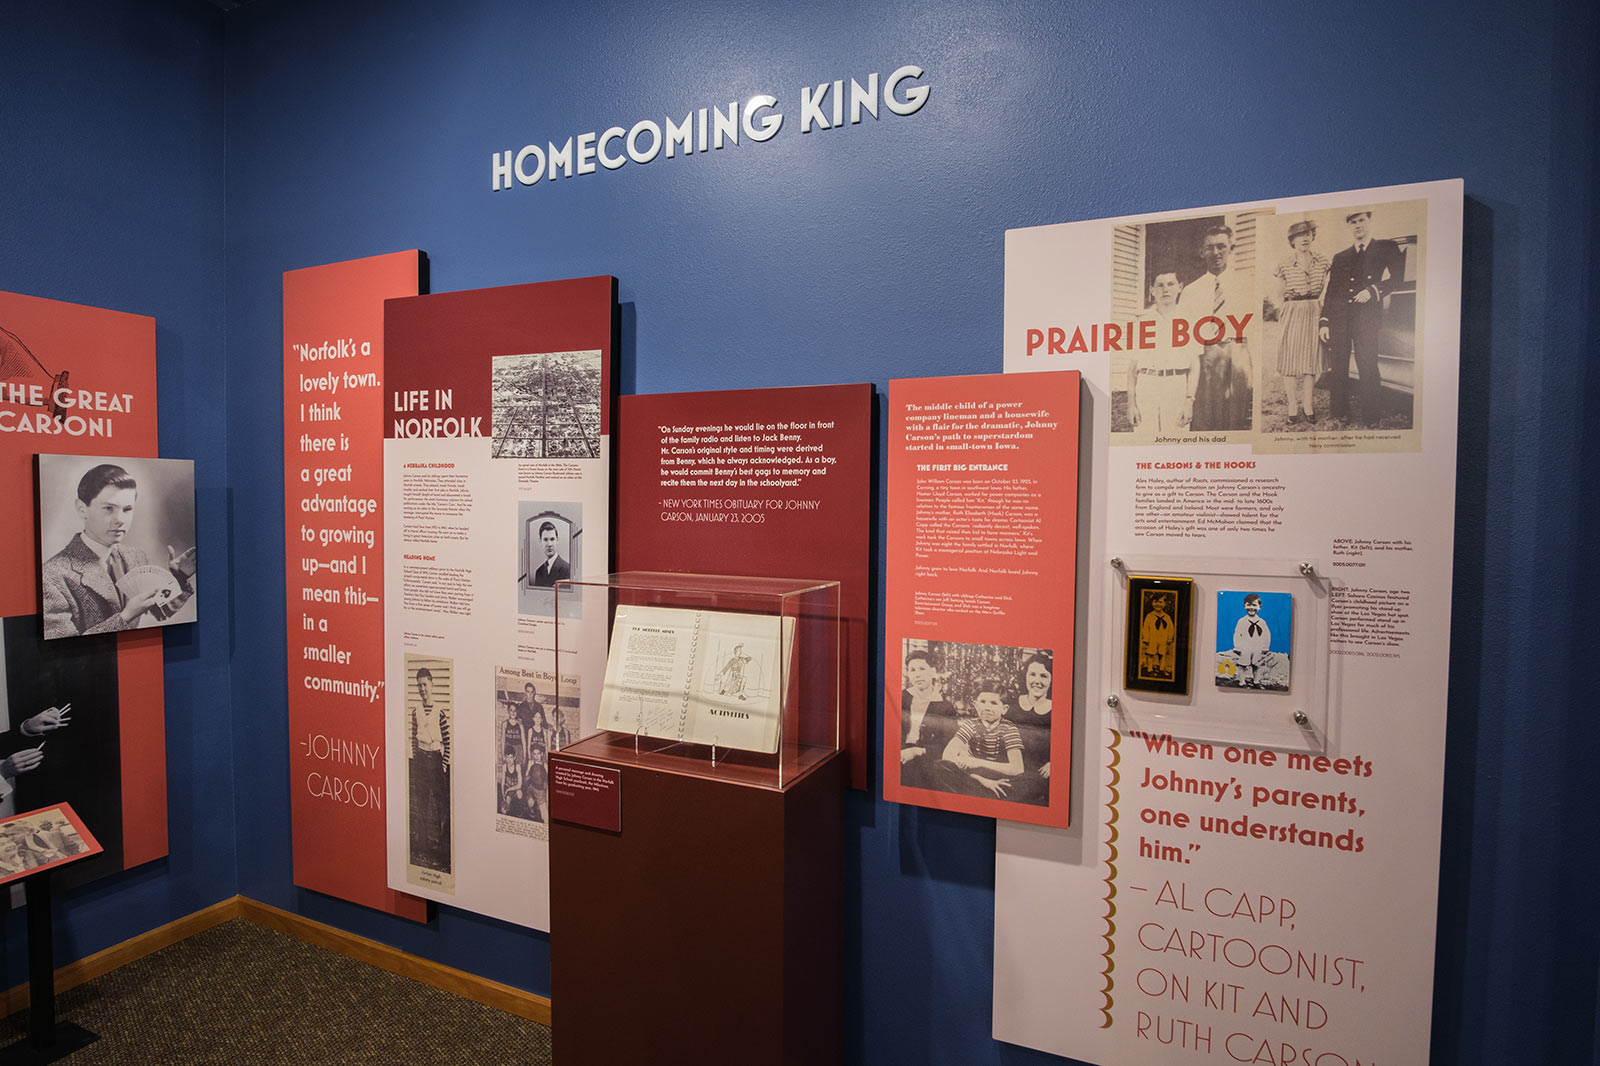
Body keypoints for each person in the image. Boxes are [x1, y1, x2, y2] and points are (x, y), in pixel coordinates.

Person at [41, 464, 196, 639]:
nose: (120, 520)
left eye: (127, 509)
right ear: (82, 509)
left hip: (133, 656)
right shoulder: (52, 576)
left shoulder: (135, 558)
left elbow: (159, 610)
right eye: (108, 508)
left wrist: (179, 577)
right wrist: (126, 615)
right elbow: (63, 647)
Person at [1320, 209, 1406, 427]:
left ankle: (1371, 416)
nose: (1357, 225)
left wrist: (1373, 290)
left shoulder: (1386, 248)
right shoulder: (1341, 257)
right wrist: (1325, 321)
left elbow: (1397, 279)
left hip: (1366, 318)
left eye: (1361, 220)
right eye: (1353, 222)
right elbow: (1332, 291)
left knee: (1367, 364)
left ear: (1369, 220)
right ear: (1349, 226)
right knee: (1338, 366)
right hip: (1340, 318)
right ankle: (1340, 413)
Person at [1178, 225, 1253, 431]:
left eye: (1221, 246)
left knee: (1236, 417)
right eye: (1210, 247)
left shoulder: (1246, 285)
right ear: (1202, 252)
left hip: (1238, 352)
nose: (1216, 252)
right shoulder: (1191, 291)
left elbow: (1254, 328)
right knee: (1205, 418)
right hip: (1205, 356)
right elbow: (1184, 334)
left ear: (1231, 248)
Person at [1271, 220, 1331, 425]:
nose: (1305, 238)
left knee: (1310, 361)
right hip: (1292, 310)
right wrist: (1284, 310)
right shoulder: (1284, 264)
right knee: (1290, 361)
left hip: (1314, 309)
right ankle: (1292, 407)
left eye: (1308, 234)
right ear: (1292, 240)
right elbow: (1277, 295)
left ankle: (1308, 406)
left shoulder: (1323, 261)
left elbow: (1331, 287)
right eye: (1300, 235)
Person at [1126, 270, 1190, 433]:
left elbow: (1195, 366)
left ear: (1180, 287)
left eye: (1170, 284)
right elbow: (1132, 368)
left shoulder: (1188, 320)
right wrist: (1131, 404)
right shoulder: (1142, 320)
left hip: (1176, 384)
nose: (1165, 290)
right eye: (1160, 285)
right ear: (1152, 290)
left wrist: (1189, 401)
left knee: (1176, 441)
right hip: (1147, 385)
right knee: (1144, 441)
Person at [938, 680, 1025, 798]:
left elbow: (1017, 768)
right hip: (974, 776)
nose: (987, 707)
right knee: (940, 765)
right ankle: (979, 789)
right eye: (983, 702)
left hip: (998, 774)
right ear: (976, 705)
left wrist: (975, 762)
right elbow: (947, 755)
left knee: (1024, 784)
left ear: (1004, 709)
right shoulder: (971, 724)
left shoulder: (1008, 728)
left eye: (993, 703)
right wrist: (980, 779)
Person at [408, 667, 450, 872]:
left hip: (435, 760)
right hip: (421, 762)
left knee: (441, 807)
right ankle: (422, 845)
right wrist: (416, 761)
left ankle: (443, 850)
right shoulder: (415, 711)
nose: (422, 689)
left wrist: (442, 766)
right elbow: (414, 739)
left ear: (432, 685)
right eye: (419, 685)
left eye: (425, 684)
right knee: (421, 803)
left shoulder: (440, 711)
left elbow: (448, 743)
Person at [898, 649, 957, 790]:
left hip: (927, 759)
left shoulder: (945, 707)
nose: (917, 674)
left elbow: (948, 745)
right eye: (912, 670)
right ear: (908, 674)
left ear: (932, 672)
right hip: (899, 754)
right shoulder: (901, 697)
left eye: (922, 669)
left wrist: (918, 751)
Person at [1005, 653, 1054, 807]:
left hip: (1040, 776)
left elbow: (1069, 743)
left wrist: (1056, 762)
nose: (1037, 681)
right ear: (1025, 676)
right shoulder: (1010, 707)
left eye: (1044, 676)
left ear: (1052, 680)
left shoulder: (1057, 709)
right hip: (1010, 770)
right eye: (1032, 674)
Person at [1231, 594, 1271, 688]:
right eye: (1248, 605)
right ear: (1244, 606)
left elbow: (1266, 635)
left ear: (1260, 607)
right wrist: (1237, 647)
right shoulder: (1241, 621)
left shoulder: (1262, 622)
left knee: (1257, 665)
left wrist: (1265, 647)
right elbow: (1237, 634)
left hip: (1258, 647)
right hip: (1245, 647)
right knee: (1242, 665)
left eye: (1254, 605)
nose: (1251, 608)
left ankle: (1256, 681)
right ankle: (1242, 682)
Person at [1140, 593, 1177, 680]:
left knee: (1162, 654)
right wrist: (1146, 638)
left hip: (1163, 639)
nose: (1158, 604)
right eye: (1155, 602)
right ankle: (1150, 668)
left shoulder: (1167, 617)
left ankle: (1161, 669)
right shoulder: (1149, 616)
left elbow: (1171, 628)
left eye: (1160, 602)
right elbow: (1146, 628)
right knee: (1150, 654)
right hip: (1152, 638)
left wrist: (1169, 638)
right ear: (1152, 603)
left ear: (1165, 604)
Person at [530, 521, 571, 587]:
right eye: (545, 539)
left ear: (557, 540)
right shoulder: (539, 572)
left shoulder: (568, 569)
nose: (549, 544)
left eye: (552, 539)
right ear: (540, 541)